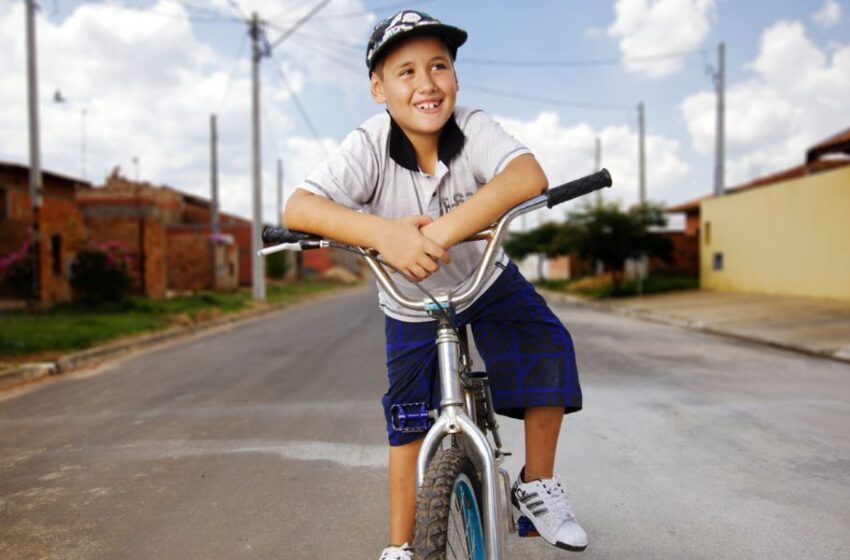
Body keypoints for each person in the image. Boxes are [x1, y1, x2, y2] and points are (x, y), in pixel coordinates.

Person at [284, 10, 587, 559]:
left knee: (546, 346)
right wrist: (384, 235)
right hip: (410, 302)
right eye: (406, 72)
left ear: (455, 77)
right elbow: (300, 206)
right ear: (378, 88)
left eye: (439, 66)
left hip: (483, 278)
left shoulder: (473, 127)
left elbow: (526, 176)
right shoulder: (369, 145)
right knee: (406, 422)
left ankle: (536, 486)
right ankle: (401, 545)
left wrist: (441, 233)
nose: (426, 84)